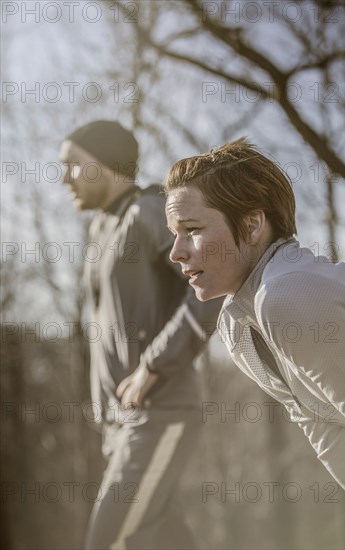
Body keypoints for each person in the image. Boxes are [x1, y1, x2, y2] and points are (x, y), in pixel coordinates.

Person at [164, 137, 345, 514]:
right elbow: (327, 434)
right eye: (174, 234)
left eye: (191, 229)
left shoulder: (289, 293)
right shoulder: (237, 326)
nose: (176, 252)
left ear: (253, 223)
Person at [59, 120, 223, 549]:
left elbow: (209, 289)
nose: (63, 178)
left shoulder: (149, 211)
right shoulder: (101, 229)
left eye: (72, 165)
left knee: (106, 541)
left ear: (104, 163)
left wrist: (154, 364)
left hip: (159, 413)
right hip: (121, 425)